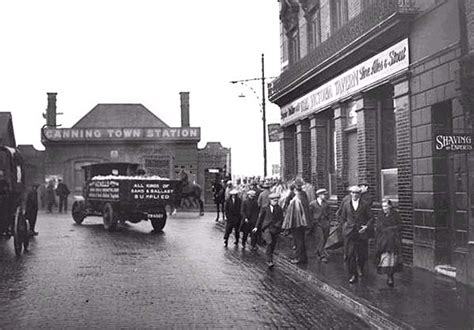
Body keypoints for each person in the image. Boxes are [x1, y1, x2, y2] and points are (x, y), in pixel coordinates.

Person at [339, 185, 375, 283]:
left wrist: (366, 227)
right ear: (350, 193)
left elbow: (371, 218)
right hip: (350, 233)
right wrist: (345, 226)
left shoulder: (365, 204)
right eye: (353, 193)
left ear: (360, 194)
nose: (355, 195)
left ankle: (360, 268)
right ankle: (353, 274)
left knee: (361, 254)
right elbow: (342, 218)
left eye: (357, 193)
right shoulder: (346, 204)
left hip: (360, 233)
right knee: (350, 254)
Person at [375, 199, 403, 287]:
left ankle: (391, 277)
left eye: (386, 206)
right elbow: (378, 227)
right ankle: (389, 276)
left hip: (393, 240)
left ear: (390, 206)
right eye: (383, 206)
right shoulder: (380, 215)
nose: (384, 208)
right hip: (383, 241)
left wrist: (391, 230)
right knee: (385, 258)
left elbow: (400, 226)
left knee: (393, 260)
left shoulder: (396, 214)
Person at [282, 178, 310, 265]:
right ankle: (304, 258)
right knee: (301, 240)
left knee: (298, 241)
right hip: (304, 222)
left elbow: (293, 212)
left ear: (295, 188)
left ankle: (298, 258)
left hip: (297, 222)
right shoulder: (304, 194)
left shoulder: (296, 199)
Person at [253, 193, 284, 268]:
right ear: (270, 200)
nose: (276, 202)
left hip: (275, 228)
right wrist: (256, 227)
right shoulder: (265, 208)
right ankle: (269, 260)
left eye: (277, 201)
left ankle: (270, 256)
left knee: (273, 244)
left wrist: (279, 226)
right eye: (274, 201)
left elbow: (281, 218)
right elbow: (260, 218)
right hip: (266, 228)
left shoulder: (279, 208)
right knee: (269, 242)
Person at [308, 188, 330, 263]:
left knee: (325, 238)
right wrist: (312, 222)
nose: (325, 196)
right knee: (321, 238)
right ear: (319, 195)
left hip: (325, 223)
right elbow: (309, 215)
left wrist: (329, 222)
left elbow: (329, 213)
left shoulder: (326, 203)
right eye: (324, 194)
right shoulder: (312, 204)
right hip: (317, 223)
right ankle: (322, 255)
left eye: (325, 194)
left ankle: (318, 251)